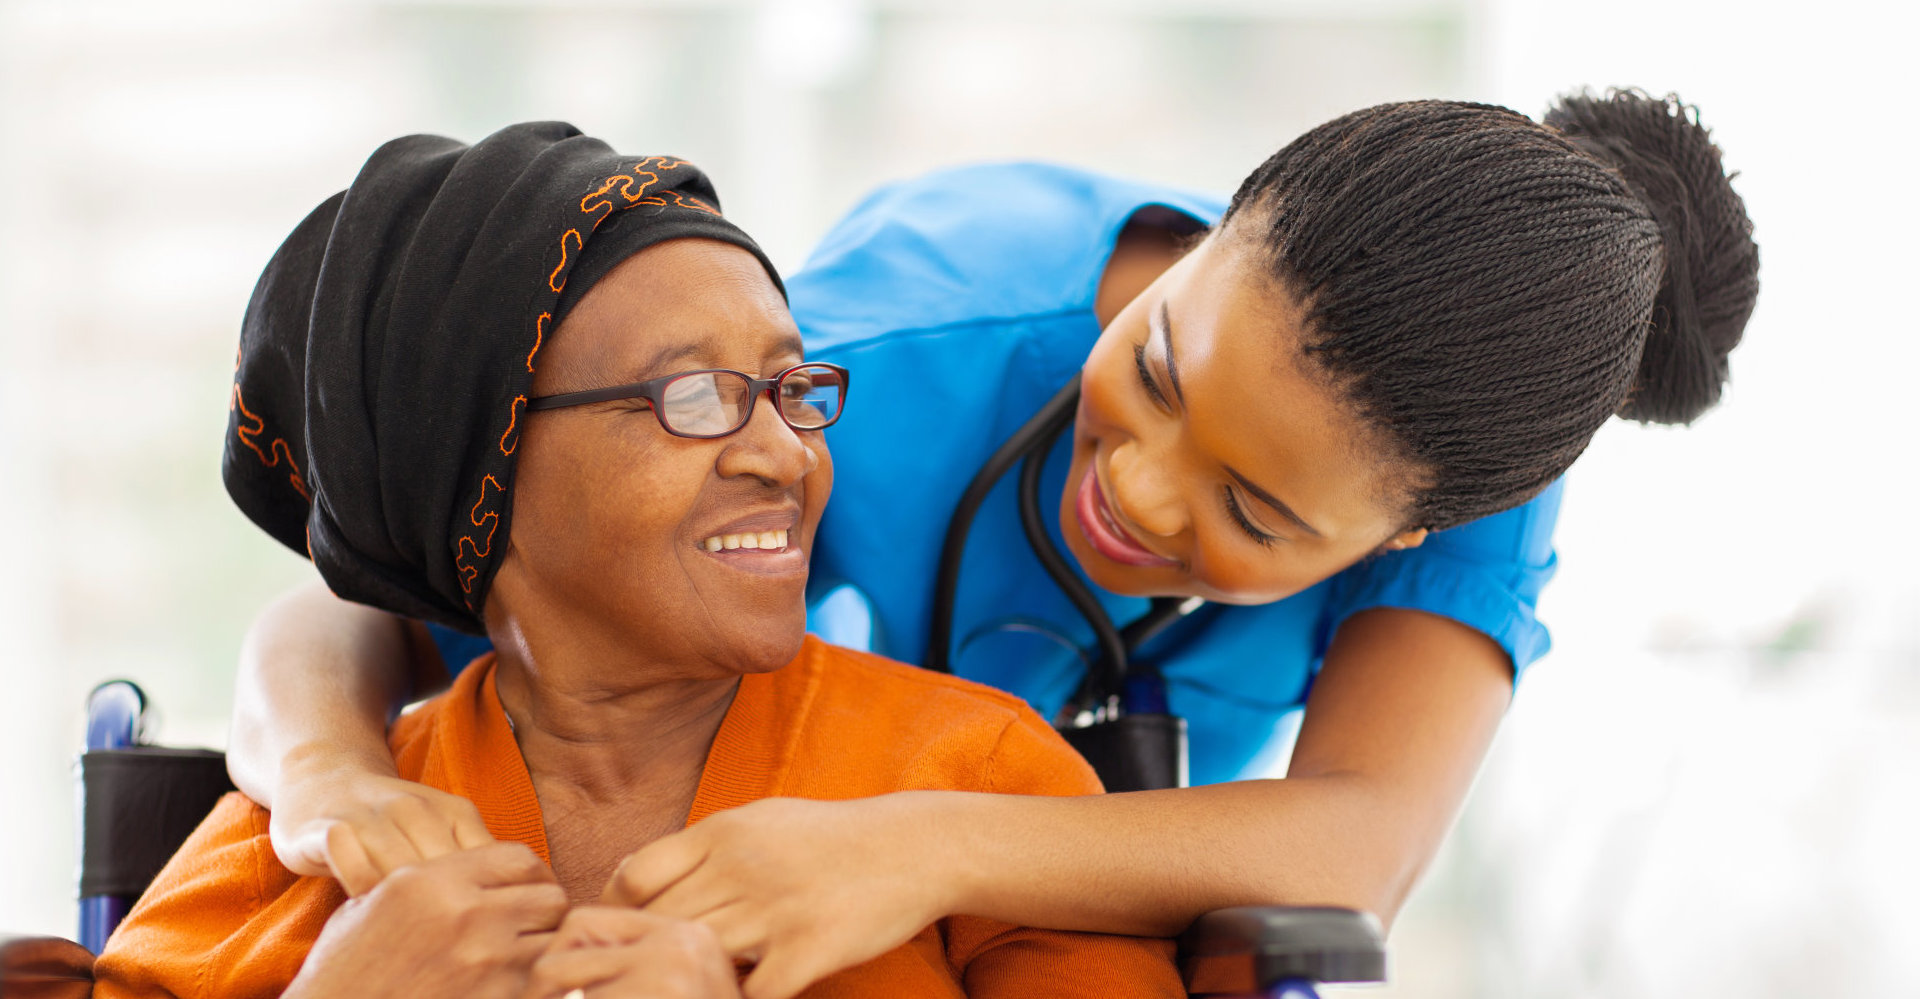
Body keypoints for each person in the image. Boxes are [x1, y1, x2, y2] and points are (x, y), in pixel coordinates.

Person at [226, 91, 1761, 998]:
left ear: (1412, 529)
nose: (1147, 499)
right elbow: (367, 579)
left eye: (1257, 511)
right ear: (1210, 234)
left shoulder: (1457, 461)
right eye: (1157, 372)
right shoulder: (873, 363)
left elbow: (1359, 847)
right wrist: (327, 777)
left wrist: (919, 837)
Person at [91, 123, 1183, 999]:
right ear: (483, 473)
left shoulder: (982, 775)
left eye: (791, 388)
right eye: (693, 397)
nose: (784, 453)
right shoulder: (299, 848)